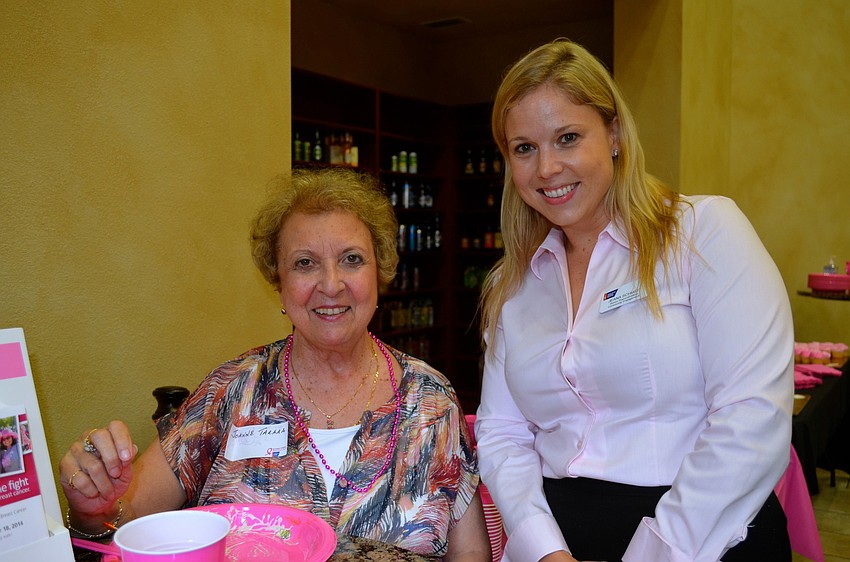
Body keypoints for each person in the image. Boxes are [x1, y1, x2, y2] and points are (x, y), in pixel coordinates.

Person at [59, 167, 489, 560]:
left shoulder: (432, 401)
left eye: (352, 259)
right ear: (279, 284)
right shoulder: (231, 390)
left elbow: (470, 558)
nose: (331, 284)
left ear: (380, 272)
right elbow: (126, 520)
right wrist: (94, 510)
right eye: (305, 263)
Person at [474, 38, 793, 562]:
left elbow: (751, 418)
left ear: (615, 134)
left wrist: (655, 553)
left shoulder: (704, 234)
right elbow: (502, 432)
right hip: (558, 543)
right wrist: (541, 548)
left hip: (704, 538)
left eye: (568, 138)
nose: (547, 168)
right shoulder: (513, 285)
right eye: (524, 148)